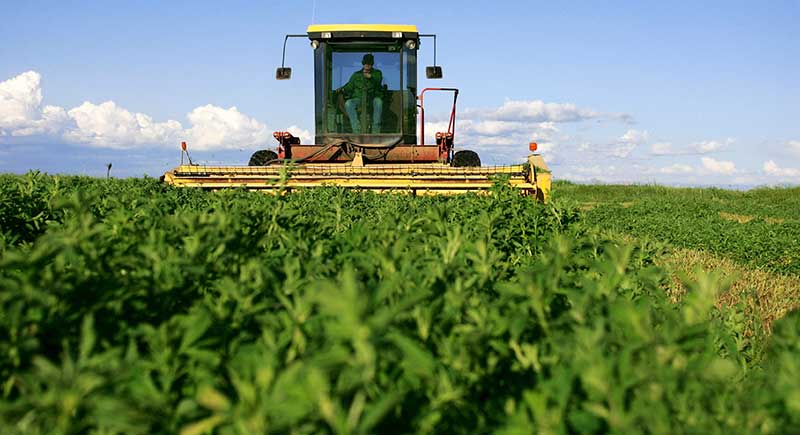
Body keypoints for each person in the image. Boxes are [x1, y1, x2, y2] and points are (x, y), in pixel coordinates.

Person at [340, 53, 384, 134]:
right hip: (358, 100)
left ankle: (375, 131)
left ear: (372, 64)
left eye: (369, 63)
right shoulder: (356, 75)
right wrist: (341, 89)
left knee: (378, 102)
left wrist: (370, 77)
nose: (367, 65)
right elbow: (349, 86)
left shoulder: (377, 73)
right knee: (348, 103)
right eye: (366, 63)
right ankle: (357, 130)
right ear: (363, 63)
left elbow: (378, 80)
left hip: (372, 99)